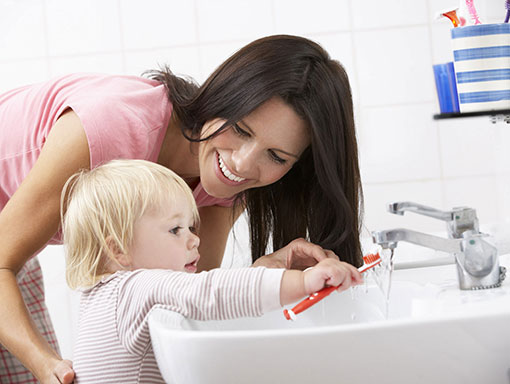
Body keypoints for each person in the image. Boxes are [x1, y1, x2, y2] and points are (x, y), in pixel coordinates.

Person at [0, 34, 363, 383]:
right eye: (240, 129)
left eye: (276, 156)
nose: (242, 163)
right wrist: (48, 367)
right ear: (223, 96)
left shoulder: (226, 185)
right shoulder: (111, 127)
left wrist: (262, 273)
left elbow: (193, 296)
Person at [61, 159, 363, 383]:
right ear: (118, 250)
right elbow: (210, 292)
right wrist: (304, 282)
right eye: (175, 229)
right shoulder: (137, 287)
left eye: (190, 227)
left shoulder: (99, 295)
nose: (194, 239)